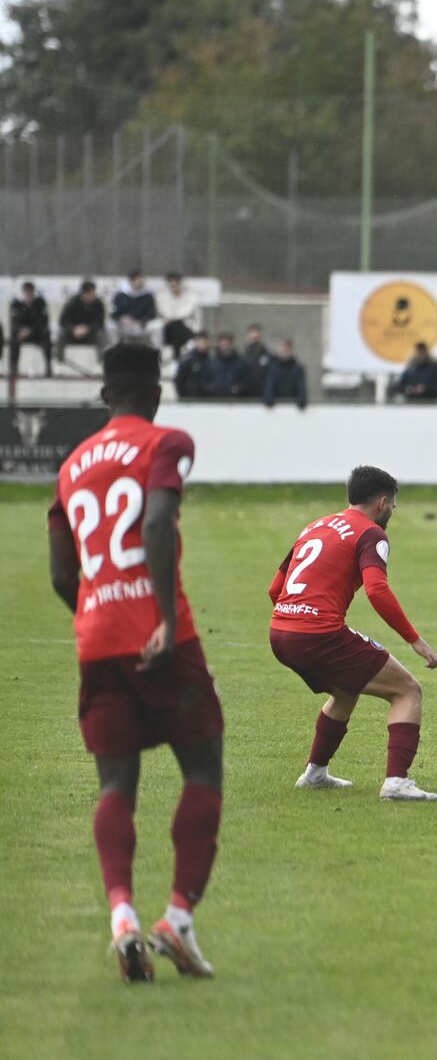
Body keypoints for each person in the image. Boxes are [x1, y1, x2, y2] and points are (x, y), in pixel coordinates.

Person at [45, 342, 224, 982]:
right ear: (155, 392)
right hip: (159, 635)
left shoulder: (70, 465)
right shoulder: (166, 442)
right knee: (203, 769)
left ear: (103, 395)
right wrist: (165, 620)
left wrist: (95, 610)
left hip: (98, 639)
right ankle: (177, 920)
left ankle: (121, 913)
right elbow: (155, 524)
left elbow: (62, 572)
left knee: (116, 786)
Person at [267, 466, 437, 801]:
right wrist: (415, 640)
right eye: (393, 504)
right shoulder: (371, 534)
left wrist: (294, 619)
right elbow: (377, 591)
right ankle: (397, 783)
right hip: (317, 633)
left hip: (280, 631)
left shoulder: (314, 527)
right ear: (381, 503)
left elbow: (275, 588)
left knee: (346, 690)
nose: (393, 510)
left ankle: (315, 773)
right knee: (407, 690)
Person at [9, 280, 52, 378]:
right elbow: (14, 321)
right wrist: (21, 330)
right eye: (26, 293)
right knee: (13, 338)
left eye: (30, 293)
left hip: (37, 333)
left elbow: (44, 321)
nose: (28, 295)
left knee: (46, 335)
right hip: (21, 333)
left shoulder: (40, 303)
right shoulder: (16, 304)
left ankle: (48, 365)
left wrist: (30, 330)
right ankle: (13, 367)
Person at [155, 273, 200, 358]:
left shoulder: (191, 297)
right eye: (172, 284)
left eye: (176, 284)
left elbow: (195, 317)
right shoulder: (162, 297)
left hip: (186, 328)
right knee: (175, 327)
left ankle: (176, 355)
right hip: (167, 329)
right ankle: (177, 355)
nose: (174, 286)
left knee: (178, 326)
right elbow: (164, 314)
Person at [58, 280, 107, 351]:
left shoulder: (98, 304)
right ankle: (59, 360)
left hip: (91, 332)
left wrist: (87, 328)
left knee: (101, 336)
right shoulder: (72, 302)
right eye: (92, 292)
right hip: (73, 332)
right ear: (85, 293)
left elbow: (100, 322)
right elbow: (63, 320)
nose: (94, 294)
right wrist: (74, 329)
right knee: (61, 335)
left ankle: (102, 360)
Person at [262, 339, 308, 410]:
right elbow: (269, 385)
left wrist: (302, 401)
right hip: (276, 408)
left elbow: (301, 386)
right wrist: (269, 399)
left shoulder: (298, 368)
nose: (284, 352)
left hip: (293, 407)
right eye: (283, 350)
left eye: (287, 350)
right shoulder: (273, 368)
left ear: (291, 350)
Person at [111, 271, 157, 341]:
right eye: (139, 279)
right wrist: (120, 319)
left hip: (141, 323)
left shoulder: (147, 296)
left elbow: (152, 313)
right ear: (132, 281)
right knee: (110, 326)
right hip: (123, 323)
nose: (141, 281)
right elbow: (114, 312)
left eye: (142, 279)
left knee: (156, 325)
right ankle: (114, 349)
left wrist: (141, 321)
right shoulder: (121, 295)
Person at [175, 332, 212, 400]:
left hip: (207, 399)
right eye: (201, 341)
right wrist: (182, 396)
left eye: (205, 342)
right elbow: (179, 380)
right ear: (196, 342)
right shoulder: (187, 360)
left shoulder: (211, 361)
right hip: (190, 398)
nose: (203, 344)